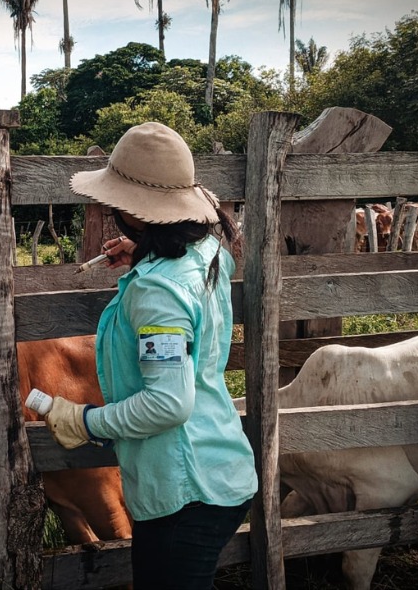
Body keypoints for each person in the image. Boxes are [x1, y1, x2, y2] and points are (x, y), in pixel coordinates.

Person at [44, 121, 258, 589]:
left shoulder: (158, 290)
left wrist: (85, 422)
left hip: (186, 489)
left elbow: (167, 404)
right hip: (217, 468)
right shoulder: (205, 251)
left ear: (135, 214)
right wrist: (145, 251)